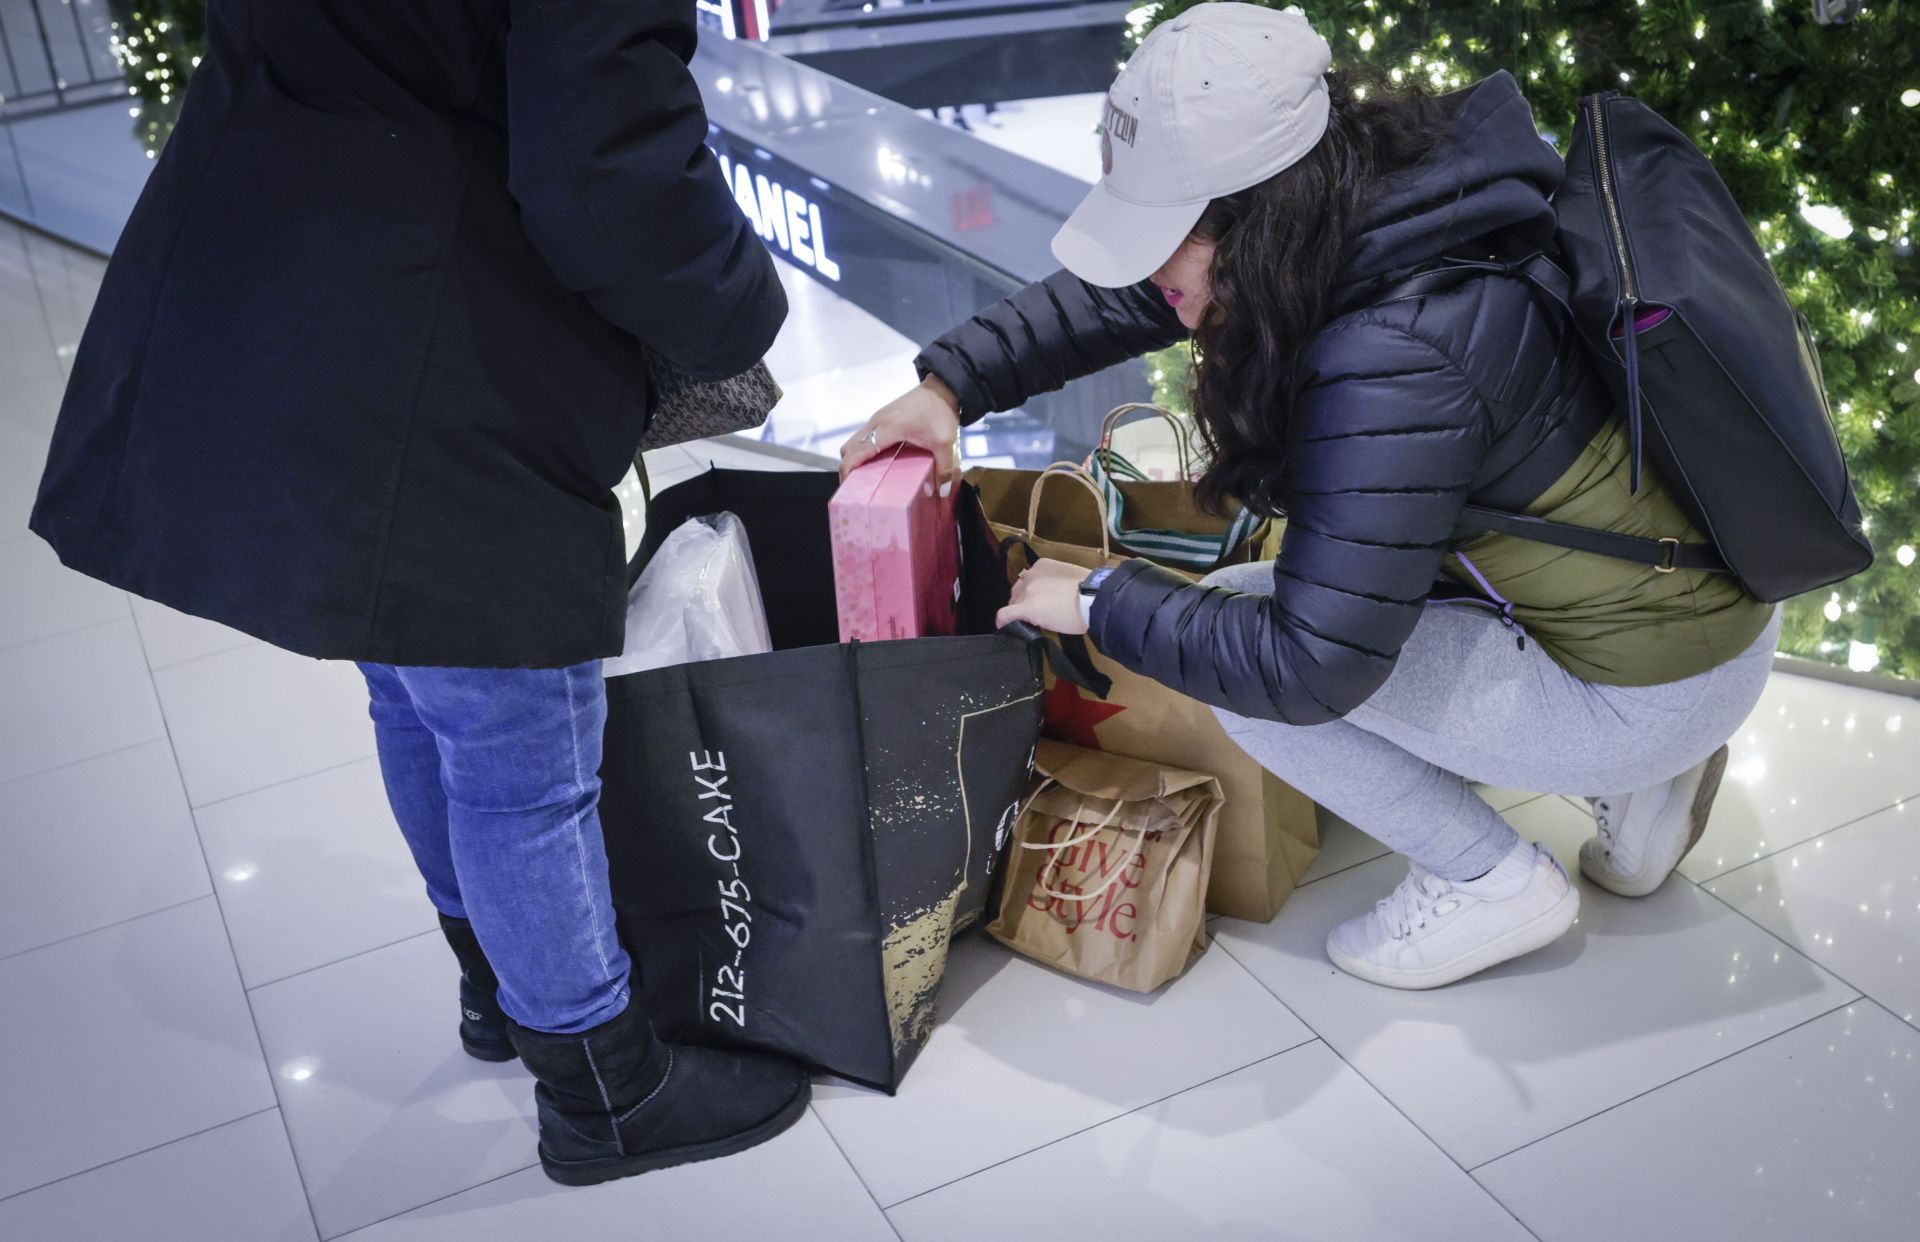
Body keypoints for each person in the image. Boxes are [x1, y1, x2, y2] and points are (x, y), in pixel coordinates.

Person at [841, 1, 1779, 991]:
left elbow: (1307, 672)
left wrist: (1097, 603)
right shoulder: (1395, 190)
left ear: (1258, 218)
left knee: (1247, 658)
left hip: (1652, 685)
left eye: (1166, 235)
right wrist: (949, 386)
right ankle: (1648, 774)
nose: (1151, 270)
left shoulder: (1395, 353)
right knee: (1302, 588)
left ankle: (1494, 880)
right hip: (1689, 614)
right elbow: (1139, 289)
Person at [30, 0, 808, 1186]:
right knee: (520, 750)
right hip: (443, 326)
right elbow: (606, 160)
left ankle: (501, 986)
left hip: (288, 274)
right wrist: (740, 315)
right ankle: (603, 1083)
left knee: (412, 683)